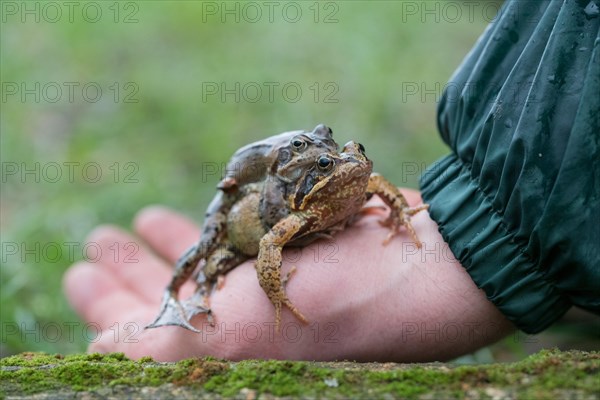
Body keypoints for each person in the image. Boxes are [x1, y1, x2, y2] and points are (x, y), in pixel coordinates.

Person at [63, 0, 599, 362]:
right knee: (206, 253)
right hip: (239, 235)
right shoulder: (293, 208)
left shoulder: (356, 181)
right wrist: (273, 294)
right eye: (327, 165)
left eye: (352, 156)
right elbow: (270, 240)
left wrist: (410, 220)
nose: (348, 166)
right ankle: (176, 294)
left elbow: (380, 185)